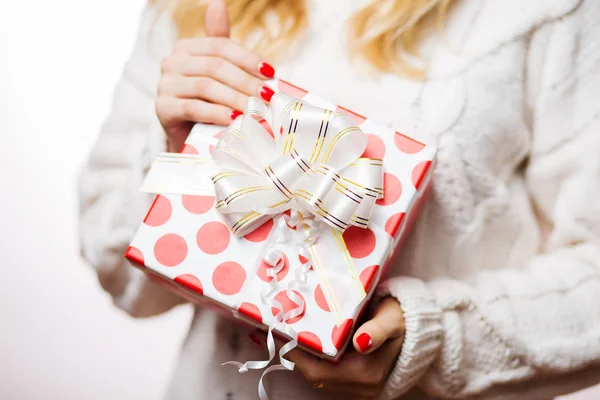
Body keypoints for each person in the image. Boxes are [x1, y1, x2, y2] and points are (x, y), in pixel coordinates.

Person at [78, 0, 600, 398]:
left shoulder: (549, 14)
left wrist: (434, 338)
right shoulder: (195, 7)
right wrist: (181, 156)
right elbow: (118, 275)